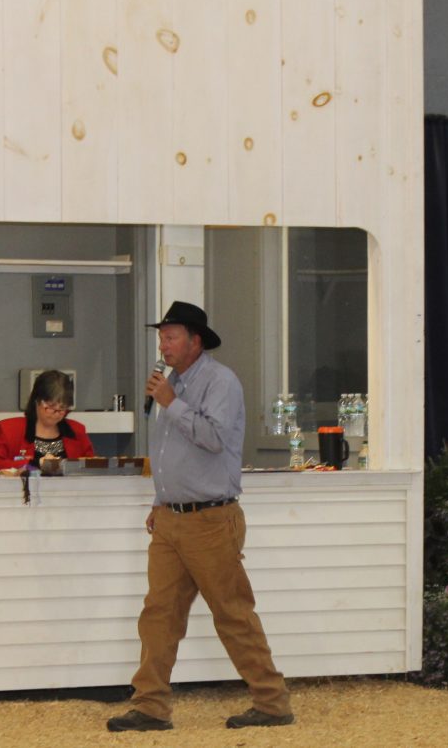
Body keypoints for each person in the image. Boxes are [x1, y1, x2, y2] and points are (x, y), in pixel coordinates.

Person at [107, 301, 294, 732]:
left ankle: (272, 703)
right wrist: (161, 497)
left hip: (211, 520)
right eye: (161, 336)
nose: (163, 344)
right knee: (158, 615)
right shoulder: (170, 382)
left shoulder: (219, 382)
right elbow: (171, 452)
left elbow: (213, 438)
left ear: (195, 341)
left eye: (170, 336)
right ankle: (150, 707)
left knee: (232, 612)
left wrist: (172, 403)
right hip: (171, 519)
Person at [0, 370, 94, 471]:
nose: (56, 414)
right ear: (37, 400)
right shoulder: (10, 430)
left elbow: (92, 467)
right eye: (51, 407)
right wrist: (35, 463)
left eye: (62, 408)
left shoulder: (77, 430)